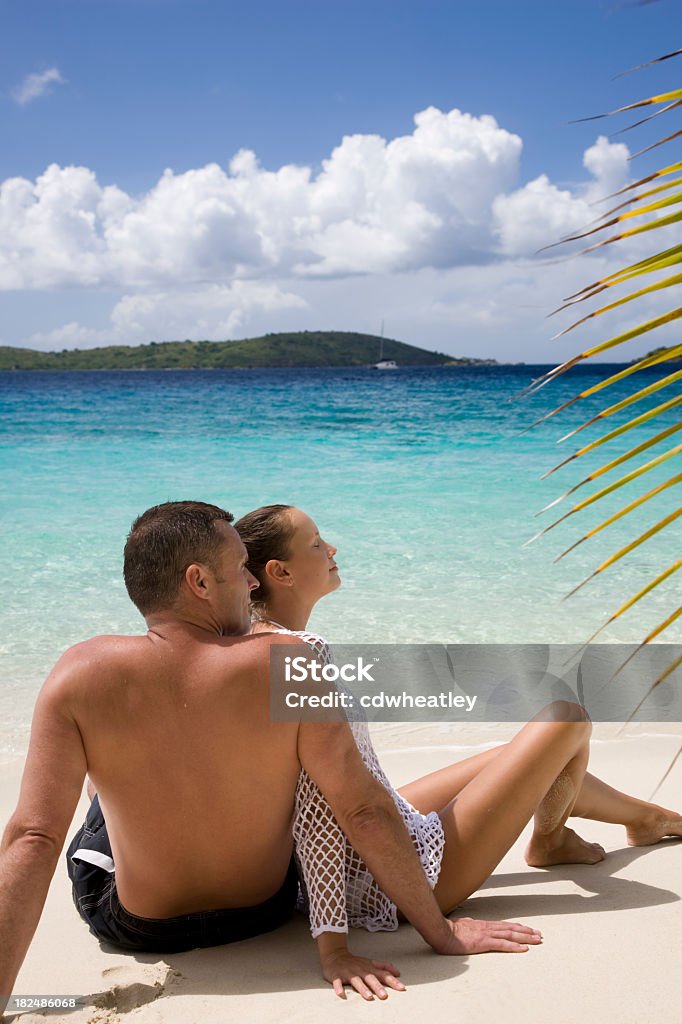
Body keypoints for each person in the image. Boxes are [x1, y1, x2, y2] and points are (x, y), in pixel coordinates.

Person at [0, 501, 542, 1016]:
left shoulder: (81, 671)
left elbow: (34, 838)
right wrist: (441, 933)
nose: (254, 582)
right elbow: (359, 810)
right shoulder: (289, 661)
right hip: (261, 913)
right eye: (240, 567)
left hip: (140, 926)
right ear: (200, 581)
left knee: (107, 784)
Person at [234, 503, 682, 999]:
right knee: (566, 720)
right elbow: (317, 810)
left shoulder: (254, 643)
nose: (333, 549)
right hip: (392, 879)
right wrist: (336, 945)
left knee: (507, 755)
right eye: (317, 542)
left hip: (355, 853)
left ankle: (645, 818)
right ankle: (557, 839)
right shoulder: (302, 653)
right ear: (280, 572)